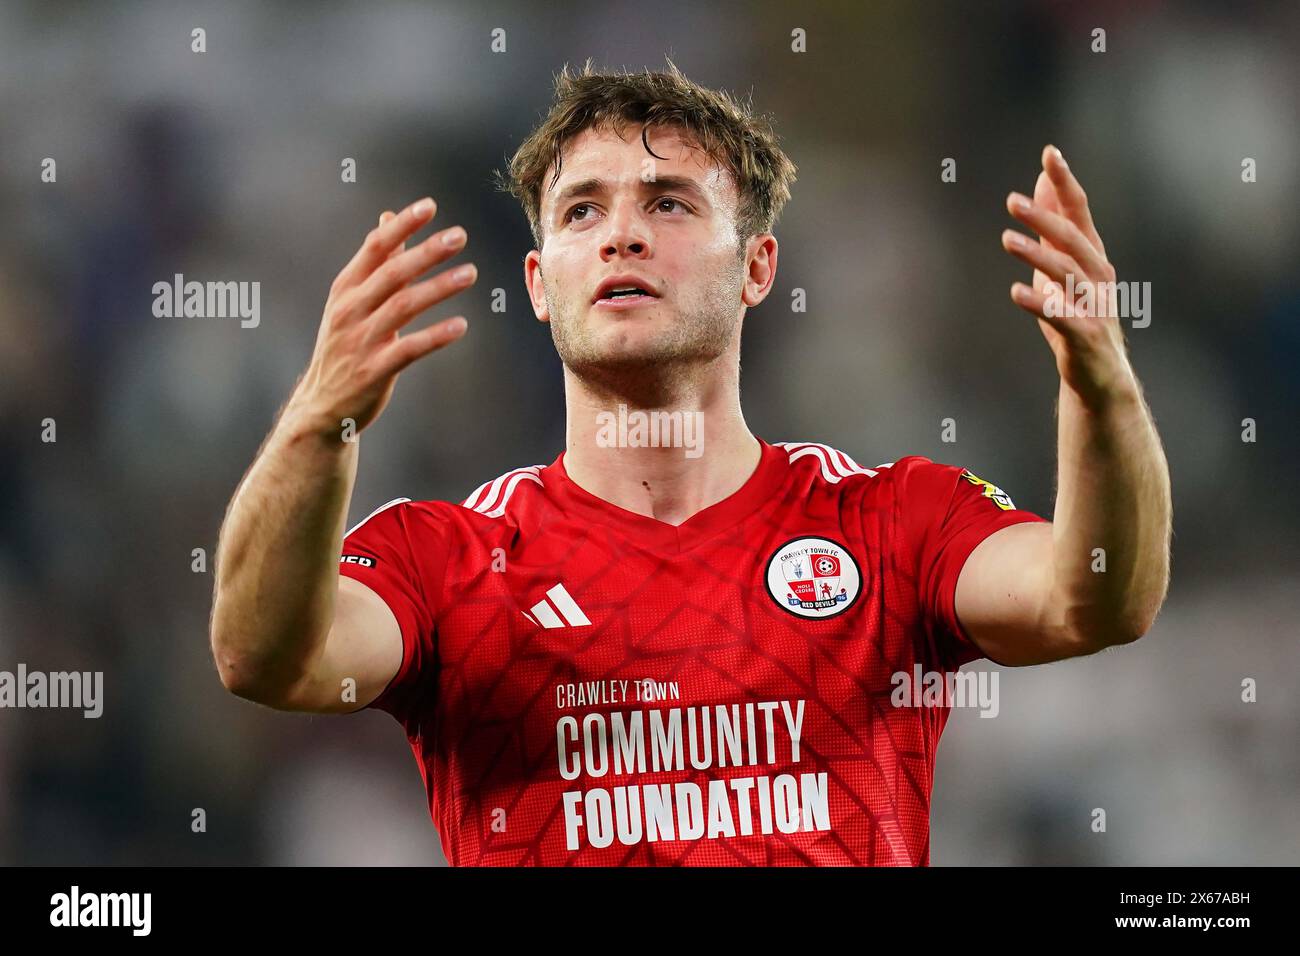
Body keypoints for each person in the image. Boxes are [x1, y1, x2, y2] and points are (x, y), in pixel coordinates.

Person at [209, 61, 1171, 865]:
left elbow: (1094, 601)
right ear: (542, 286)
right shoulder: (449, 560)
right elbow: (263, 659)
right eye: (582, 211)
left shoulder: (888, 522)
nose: (621, 232)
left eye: (667, 203)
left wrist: (1103, 391)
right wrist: (317, 421)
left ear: (757, 266)